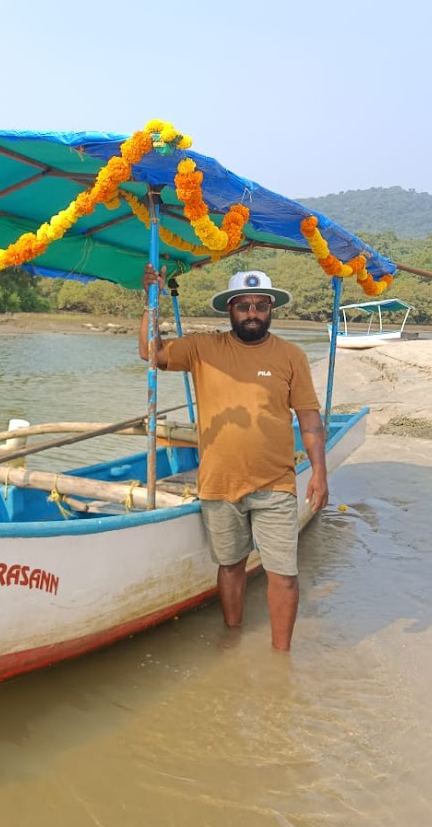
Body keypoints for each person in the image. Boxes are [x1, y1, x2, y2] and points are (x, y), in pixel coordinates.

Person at [139, 266, 329, 650]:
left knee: (284, 575)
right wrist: (151, 300)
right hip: (219, 483)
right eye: (244, 306)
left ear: (271, 309)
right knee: (230, 566)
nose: (253, 313)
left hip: (275, 482)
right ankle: (232, 641)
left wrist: (319, 474)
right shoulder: (203, 348)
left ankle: (281, 658)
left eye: (260, 305)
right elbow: (151, 352)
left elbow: (309, 418)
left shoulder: (291, 355)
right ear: (230, 310)